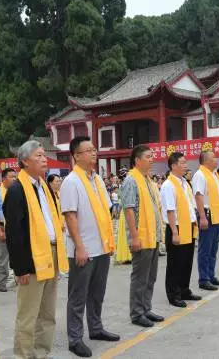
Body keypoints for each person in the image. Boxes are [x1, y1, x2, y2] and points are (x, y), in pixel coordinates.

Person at [3, 142, 68, 359]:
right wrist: (20, 268)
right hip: (31, 260)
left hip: (52, 254)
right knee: (28, 315)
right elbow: (14, 233)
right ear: (24, 161)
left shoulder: (44, 187)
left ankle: (41, 353)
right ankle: (23, 355)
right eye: (39, 155)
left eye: (44, 155)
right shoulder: (17, 190)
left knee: (47, 313)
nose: (44, 159)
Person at [60, 136, 120, 358]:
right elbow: (70, 217)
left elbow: (105, 210)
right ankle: (75, 339)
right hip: (83, 249)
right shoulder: (71, 182)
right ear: (76, 156)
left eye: (95, 149)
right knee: (78, 296)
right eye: (88, 150)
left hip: (101, 247)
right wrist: (80, 247)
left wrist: (109, 242)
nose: (94, 153)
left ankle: (96, 328)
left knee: (97, 293)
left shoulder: (97, 180)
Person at [119, 145, 165, 328]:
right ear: (137, 160)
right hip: (142, 237)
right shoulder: (132, 180)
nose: (152, 159)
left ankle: (146, 308)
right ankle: (137, 313)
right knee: (140, 277)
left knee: (150, 276)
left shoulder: (147, 180)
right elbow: (129, 209)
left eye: (152, 156)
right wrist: (135, 236)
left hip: (152, 236)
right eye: (148, 156)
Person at [160, 152, 201, 308]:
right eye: (183, 163)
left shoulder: (184, 182)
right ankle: (173, 294)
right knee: (175, 263)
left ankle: (184, 290)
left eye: (186, 162)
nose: (186, 165)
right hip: (176, 227)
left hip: (188, 225)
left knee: (186, 261)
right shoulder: (168, 185)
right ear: (173, 165)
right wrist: (175, 233)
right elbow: (170, 210)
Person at [192, 150, 219, 291]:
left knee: (213, 248)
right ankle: (204, 279)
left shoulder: (212, 175)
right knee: (205, 249)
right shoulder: (200, 175)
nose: (216, 159)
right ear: (206, 160)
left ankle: (211, 275)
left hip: (216, 214)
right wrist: (202, 217)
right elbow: (198, 196)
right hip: (207, 214)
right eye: (213, 157)